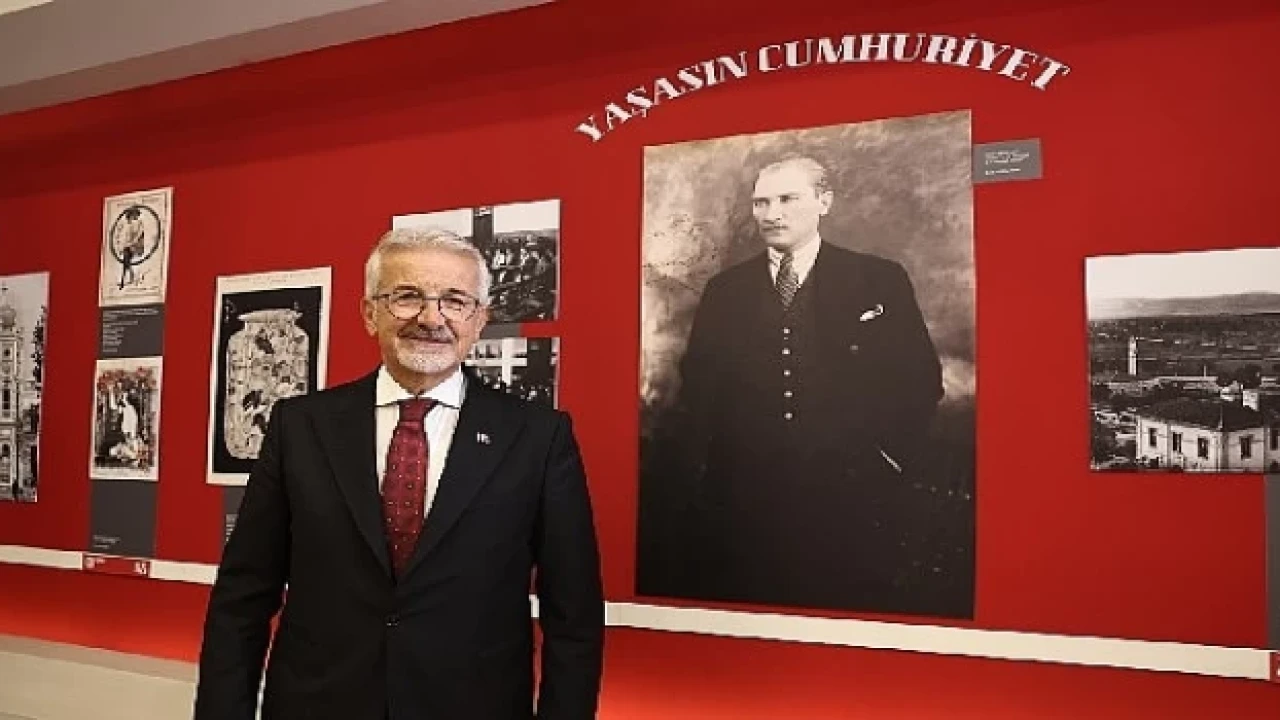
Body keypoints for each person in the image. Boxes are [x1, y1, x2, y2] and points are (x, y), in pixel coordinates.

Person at [194, 227, 605, 719]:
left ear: (479, 320)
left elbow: (573, 617)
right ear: (370, 313)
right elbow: (243, 596)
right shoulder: (300, 427)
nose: (431, 318)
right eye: (407, 296)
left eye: (455, 301)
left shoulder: (538, 437)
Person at [639, 154, 944, 613]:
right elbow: (699, 385)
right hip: (743, 498)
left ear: (824, 202)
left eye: (787, 199)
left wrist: (890, 458)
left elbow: (919, 378)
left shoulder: (878, 278)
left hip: (851, 493)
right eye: (761, 202)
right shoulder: (726, 290)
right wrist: (708, 471)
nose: (771, 214)